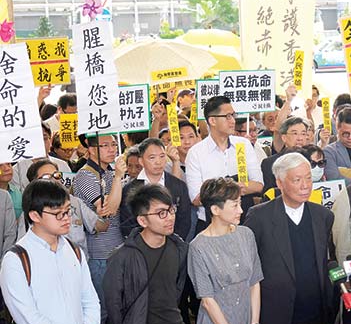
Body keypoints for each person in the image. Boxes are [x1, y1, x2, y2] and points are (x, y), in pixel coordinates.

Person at [244, 153, 334, 324]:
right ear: (280, 182)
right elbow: (249, 267)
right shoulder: (259, 217)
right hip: (276, 318)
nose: (305, 186)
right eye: (297, 180)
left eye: (308, 178)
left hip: (314, 317)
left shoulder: (322, 216)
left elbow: (327, 262)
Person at [0, 180, 100, 324]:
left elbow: (90, 300)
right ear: (34, 216)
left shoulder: (73, 250)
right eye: (58, 214)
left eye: (67, 211)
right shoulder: (17, 259)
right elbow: (29, 320)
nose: (67, 219)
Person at [103, 185, 192, 324]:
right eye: (161, 213)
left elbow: (177, 290)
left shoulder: (178, 248)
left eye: (171, 210)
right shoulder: (123, 257)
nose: (170, 217)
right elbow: (113, 306)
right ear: (142, 220)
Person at [187, 178, 272, 324]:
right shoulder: (198, 246)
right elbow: (207, 300)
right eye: (235, 205)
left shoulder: (246, 235)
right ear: (215, 209)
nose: (240, 210)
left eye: (240, 203)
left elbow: (255, 283)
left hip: (248, 322)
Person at [71, 133, 128, 324]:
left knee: (117, 305)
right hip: (98, 253)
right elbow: (108, 210)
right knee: (101, 309)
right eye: (103, 145)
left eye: (113, 144)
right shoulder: (85, 175)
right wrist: (117, 176)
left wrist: (115, 176)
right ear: (88, 148)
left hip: (118, 249)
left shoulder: (108, 172)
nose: (110, 148)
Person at [185, 95, 263, 228]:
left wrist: (232, 190)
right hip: (211, 223)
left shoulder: (243, 145)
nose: (233, 120)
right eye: (227, 116)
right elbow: (196, 198)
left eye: (233, 115)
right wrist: (232, 190)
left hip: (244, 219)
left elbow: (259, 185)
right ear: (212, 120)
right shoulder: (196, 153)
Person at [27, 159, 109, 258]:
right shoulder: (31, 211)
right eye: (46, 177)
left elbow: (101, 226)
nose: (53, 180)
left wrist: (104, 212)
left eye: (56, 175)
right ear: (34, 183)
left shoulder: (75, 202)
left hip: (78, 266)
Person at [120, 138, 192, 242]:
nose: (158, 162)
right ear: (141, 161)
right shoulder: (130, 189)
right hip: (141, 248)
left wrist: (172, 243)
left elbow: (184, 220)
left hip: (173, 246)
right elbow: (127, 223)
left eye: (162, 156)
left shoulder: (178, 185)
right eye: (152, 158)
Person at [261, 116, 310, 191]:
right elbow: (270, 195)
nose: (300, 138)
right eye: (295, 133)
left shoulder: (312, 157)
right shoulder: (270, 163)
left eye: (303, 134)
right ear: (284, 138)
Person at [323, 107, 351, 183]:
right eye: (345, 134)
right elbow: (335, 179)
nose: (350, 138)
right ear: (337, 128)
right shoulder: (329, 152)